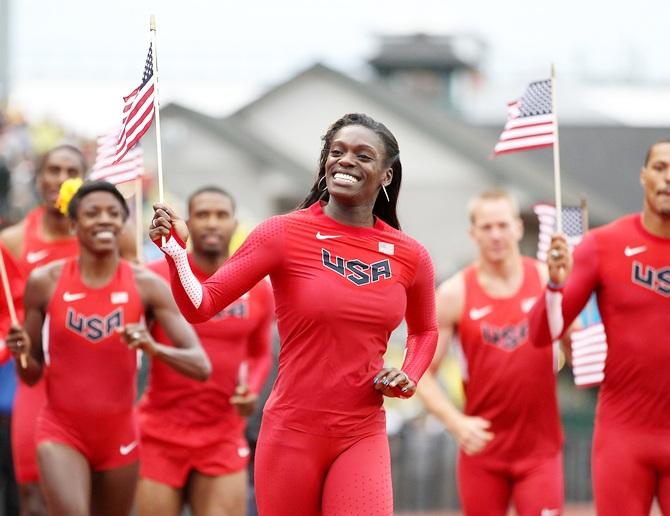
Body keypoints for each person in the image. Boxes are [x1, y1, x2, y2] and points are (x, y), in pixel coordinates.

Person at [150, 113, 438, 516]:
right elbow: (202, 305)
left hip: (361, 431)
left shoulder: (411, 255)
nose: (346, 161)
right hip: (291, 433)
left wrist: (409, 373)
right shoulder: (281, 233)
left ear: (386, 175)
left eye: (362, 155)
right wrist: (177, 253)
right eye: (336, 152)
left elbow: (425, 330)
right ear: (324, 164)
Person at [6, 181, 211, 516]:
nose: (104, 219)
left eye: (113, 213)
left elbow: (200, 365)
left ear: (123, 222)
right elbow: (30, 375)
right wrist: (20, 353)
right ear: (73, 224)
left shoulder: (147, 286)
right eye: (92, 213)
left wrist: (152, 347)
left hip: (119, 434)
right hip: (61, 430)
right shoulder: (45, 282)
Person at [529, 140, 670, 516]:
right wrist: (555, 284)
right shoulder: (605, 245)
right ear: (643, 176)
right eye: (660, 167)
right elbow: (542, 334)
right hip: (625, 435)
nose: (668, 177)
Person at [0, 144, 137, 516]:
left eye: (71, 171)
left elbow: (142, 292)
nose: (61, 179)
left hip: (104, 383)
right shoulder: (13, 241)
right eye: (53, 170)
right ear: (38, 177)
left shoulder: (114, 234)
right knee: (33, 494)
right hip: (40, 378)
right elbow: (8, 311)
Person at [416, 190, 566, 516]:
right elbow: (421, 373)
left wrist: (562, 292)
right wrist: (455, 422)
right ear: (473, 233)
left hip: (540, 451)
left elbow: (575, 347)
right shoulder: (454, 294)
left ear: (518, 228)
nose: (496, 235)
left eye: (502, 225)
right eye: (487, 227)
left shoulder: (545, 279)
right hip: (482, 451)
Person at [137, 186, 274, 516]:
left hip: (222, 435)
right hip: (159, 433)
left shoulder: (256, 287)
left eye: (221, 215)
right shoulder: (154, 278)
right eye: (202, 215)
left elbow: (260, 353)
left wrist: (252, 389)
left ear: (234, 223)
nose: (212, 223)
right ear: (187, 222)